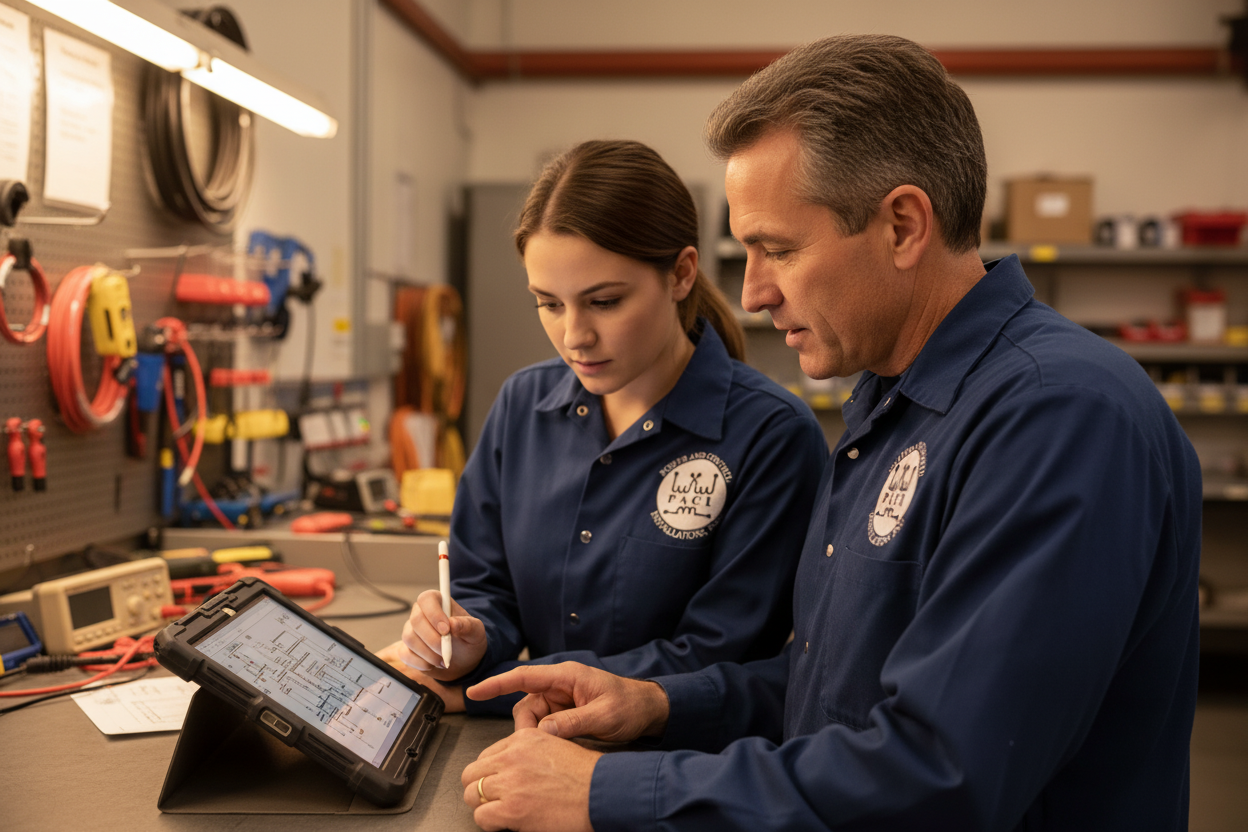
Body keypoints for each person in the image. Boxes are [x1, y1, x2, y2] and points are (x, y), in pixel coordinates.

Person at [456, 34, 1203, 832]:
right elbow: (834, 694)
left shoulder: (1057, 416)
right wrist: (657, 702)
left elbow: (939, 774)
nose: (751, 294)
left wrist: (604, 794)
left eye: (778, 249)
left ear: (904, 226)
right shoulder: (891, 409)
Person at [377, 139, 829, 716]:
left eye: (605, 302)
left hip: (675, 763)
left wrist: (494, 688)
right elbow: (484, 587)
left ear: (682, 274)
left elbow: (717, 655)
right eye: (550, 303)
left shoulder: (771, 436)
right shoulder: (523, 404)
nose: (575, 336)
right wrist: (467, 637)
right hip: (526, 739)